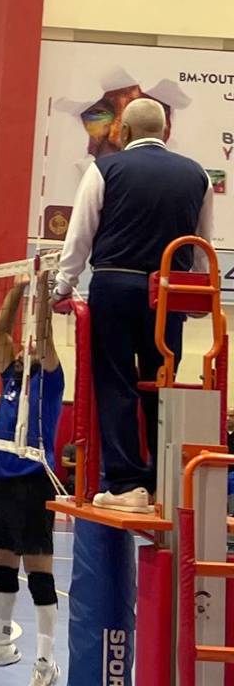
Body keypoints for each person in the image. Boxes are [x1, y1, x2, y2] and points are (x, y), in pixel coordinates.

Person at [53, 98, 213, 513]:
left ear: (122, 132)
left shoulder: (104, 168)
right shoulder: (197, 174)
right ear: (165, 132)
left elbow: (80, 235)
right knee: (164, 383)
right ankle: (166, 483)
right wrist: (198, 297)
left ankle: (127, 485)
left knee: (115, 382)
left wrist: (62, 287)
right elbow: (202, 245)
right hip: (170, 292)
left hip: (116, 286)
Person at [0, 273, 64, 685]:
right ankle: (2, 643)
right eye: (22, 347)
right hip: (3, 482)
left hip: (34, 481)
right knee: (1, 564)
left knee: (39, 572)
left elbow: (44, 335)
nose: (24, 347)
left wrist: (42, 293)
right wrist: (19, 286)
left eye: (30, 346)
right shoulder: (11, 376)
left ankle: (45, 662)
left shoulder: (50, 379)